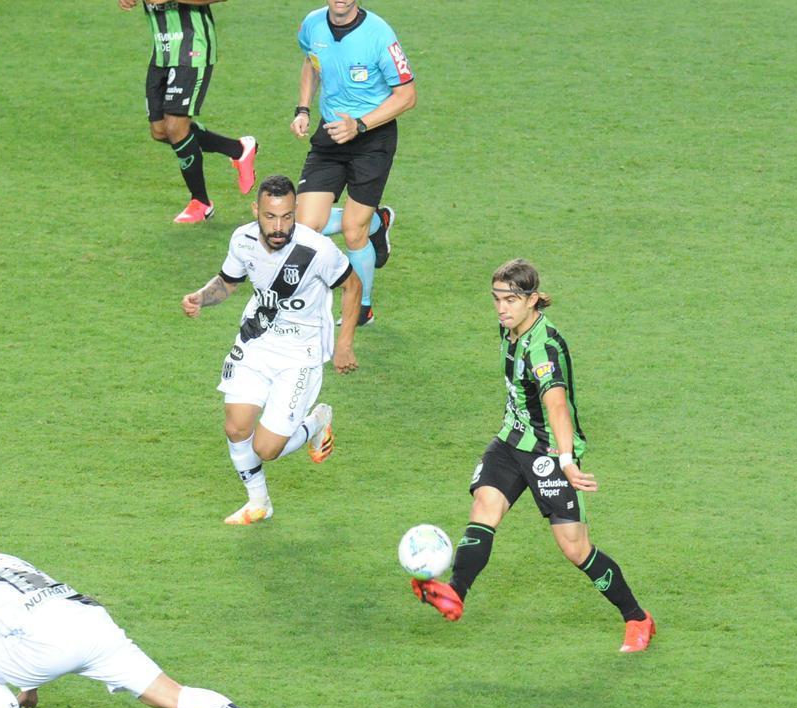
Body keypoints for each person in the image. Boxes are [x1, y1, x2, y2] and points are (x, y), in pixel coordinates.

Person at [411, 259, 656, 653]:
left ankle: (637, 618)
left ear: (533, 299)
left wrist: (566, 460)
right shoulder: (511, 327)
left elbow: (556, 405)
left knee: (575, 548)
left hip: (548, 450)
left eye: (510, 300)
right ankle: (455, 592)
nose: (501, 308)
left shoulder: (543, 346)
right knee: (485, 503)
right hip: (511, 440)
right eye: (496, 299)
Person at [0, 508, 301, 708]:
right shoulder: (10, 560)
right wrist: (30, 686)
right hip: (92, 623)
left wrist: (31, 678)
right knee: (173, 695)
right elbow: (25, 613)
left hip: (47, 644)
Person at [181, 174, 362, 525]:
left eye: (287, 217)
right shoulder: (243, 240)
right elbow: (228, 283)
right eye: (270, 217)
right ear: (256, 211)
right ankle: (259, 503)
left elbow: (352, 286)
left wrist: (345, 344)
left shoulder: (318, 251)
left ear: (295, 212)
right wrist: (201, 298)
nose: (279, 226)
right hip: (257, 342)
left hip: (300, 356)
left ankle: (316, 421)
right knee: (236, 428)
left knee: (266, 449)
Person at [291, 0, 417, 325]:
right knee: (305, 226)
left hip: (372, 139)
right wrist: (303, 108)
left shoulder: (380, 35)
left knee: (352, 230)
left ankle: (363, 309)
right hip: (330, 134)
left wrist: (359, 124)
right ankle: (378, 222)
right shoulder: (312, 25)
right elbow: (311, 62)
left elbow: (407, 96)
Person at [118, 0, 258, 223]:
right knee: (160, 131)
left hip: (193, 49)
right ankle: (238, 149)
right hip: (162, 52)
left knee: (175, 127)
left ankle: (201, 202)